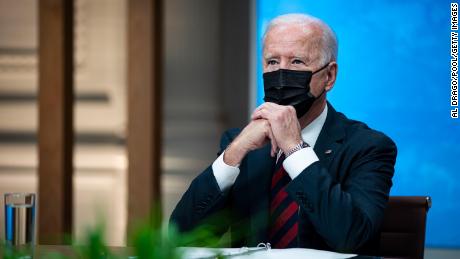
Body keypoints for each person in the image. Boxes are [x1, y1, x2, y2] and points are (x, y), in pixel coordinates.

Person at [170, 13, 397, 254]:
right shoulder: (242, 145)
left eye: (297, 62)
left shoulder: (368, 147)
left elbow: (351, 237)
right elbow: (180, 236)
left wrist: (295, 149)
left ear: (329, 76)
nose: (281, 74)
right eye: (272, 62)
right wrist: (233, 153)